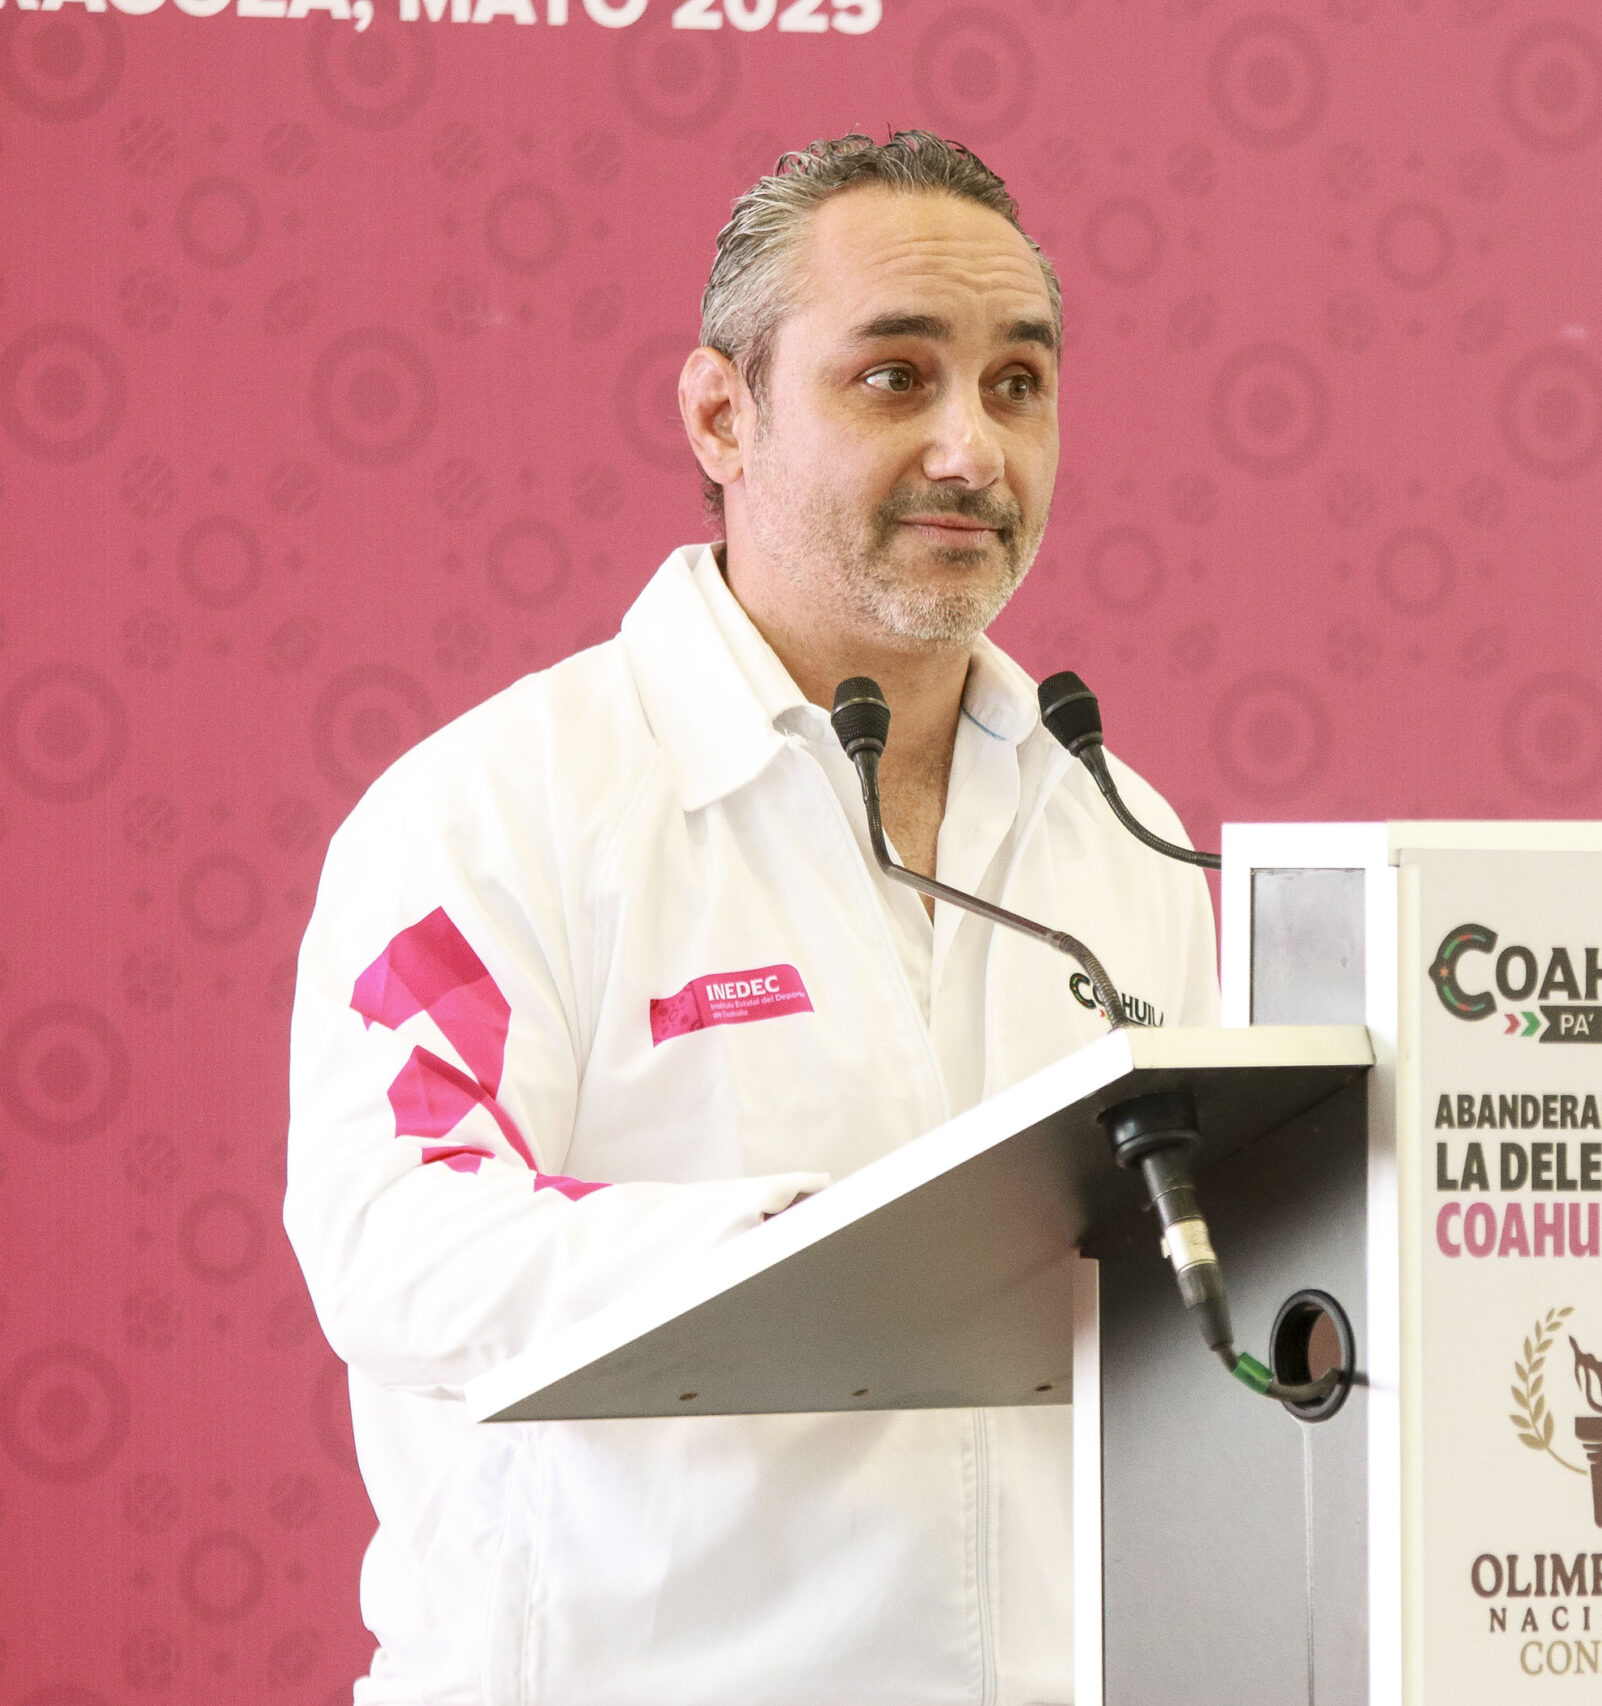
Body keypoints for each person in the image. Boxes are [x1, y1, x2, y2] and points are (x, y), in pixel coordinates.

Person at [283, 131, 1216, 1706]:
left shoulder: (1120, 830)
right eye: (894, 378)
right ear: (721, 415)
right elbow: (395, 1239)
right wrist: (802, 1253)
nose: (972, 449)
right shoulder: (496, 809)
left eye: (1017, 385)